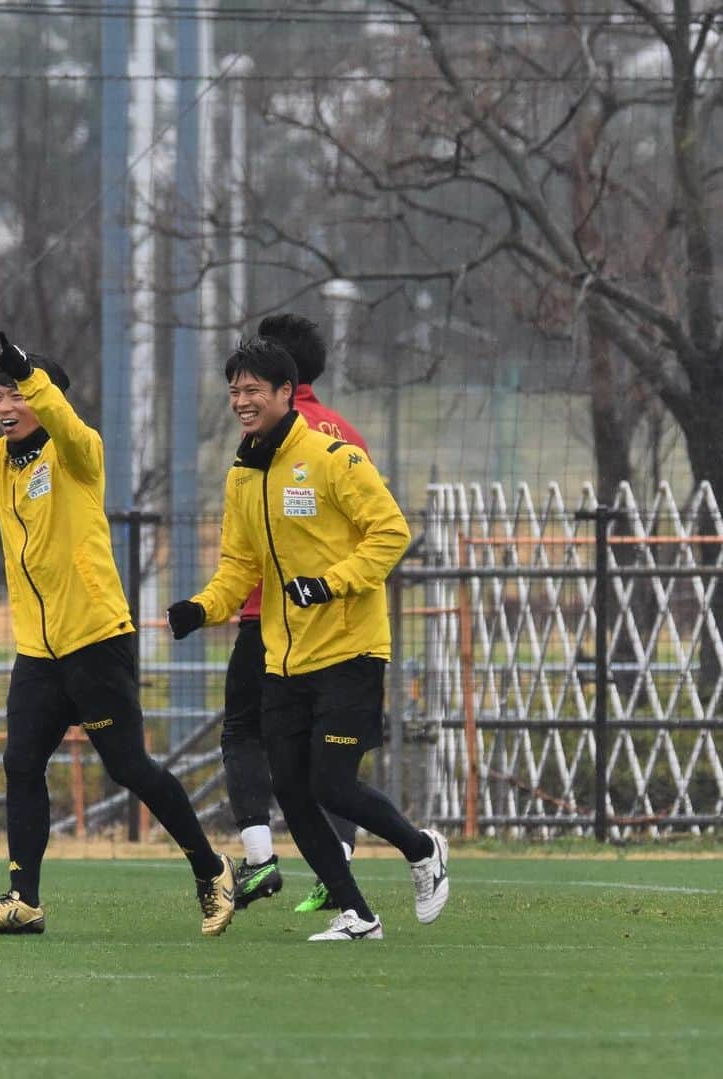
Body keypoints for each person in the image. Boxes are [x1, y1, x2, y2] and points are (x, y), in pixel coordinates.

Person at [0, 329, 235, 938]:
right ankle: (24, 899)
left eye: (16, 394)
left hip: (95, 638)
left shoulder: (77, 454)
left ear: (48, 399)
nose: (4, 407)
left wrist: (32, 375)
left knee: (129, 769)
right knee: (20, 762)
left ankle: (211, 867)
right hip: (38, 651)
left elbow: (71, 429)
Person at [167, 334, 448, 942]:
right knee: (291, 792)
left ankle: (422, 847)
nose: (241, 401)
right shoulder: (243, 474)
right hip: (283, 659)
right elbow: (239, 568)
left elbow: (391, 532)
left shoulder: (333, 459)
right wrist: (202, 608)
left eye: (252, 390)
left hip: (351, 649)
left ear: (284, 393)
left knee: (331, 784)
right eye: (234, 390)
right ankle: (358, 916)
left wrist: (331, 584)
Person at [222, 314, 369, 914]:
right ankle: (336, 869)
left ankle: (260, 861)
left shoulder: (264, 438)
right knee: (331, 747)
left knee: (243, 730)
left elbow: (245, 540)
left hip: (268, 616)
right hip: (336, 619)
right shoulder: (346, 432)